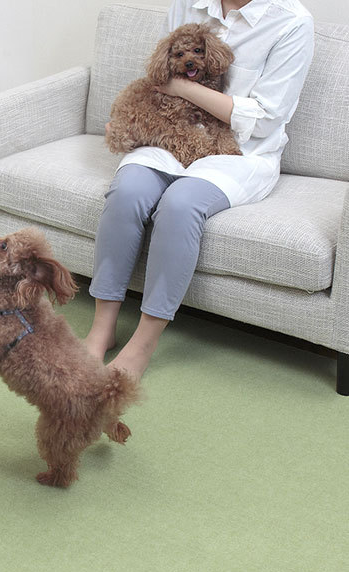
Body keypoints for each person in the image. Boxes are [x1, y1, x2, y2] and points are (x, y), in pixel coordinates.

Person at [84, 0, 315, 381]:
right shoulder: (188, 3)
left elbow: (265, 119)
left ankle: (142, 344)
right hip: (173, 133)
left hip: (240, 152)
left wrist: (181, 87)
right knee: (127, 192)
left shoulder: (292, 22)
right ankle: (102, 329)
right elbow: (158, 78)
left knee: (179, 205)